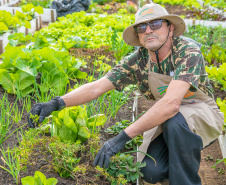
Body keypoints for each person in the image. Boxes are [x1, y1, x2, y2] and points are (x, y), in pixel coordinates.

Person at [27, 3, 224, 185]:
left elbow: (171, 104)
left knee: (175, 121)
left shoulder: (187, 51)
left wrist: (121, 138)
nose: (148, 30)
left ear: (170, 28)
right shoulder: (137, 61)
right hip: (167, 117)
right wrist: (56, 103)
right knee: (150, 171)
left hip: (199, 112)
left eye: (155, 24)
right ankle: (178, 161)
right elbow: (97, 87)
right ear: (138, 36)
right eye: (142, 27)